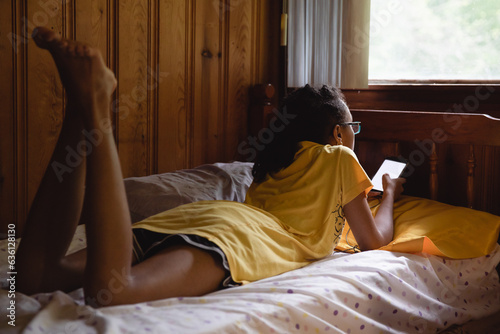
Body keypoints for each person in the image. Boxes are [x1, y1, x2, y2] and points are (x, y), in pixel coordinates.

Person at [17, 27, 405, 308]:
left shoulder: (277, 165)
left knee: (36, 277)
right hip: (238, 240)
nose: (354, 135)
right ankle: (97, 109)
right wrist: (387, 195)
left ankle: (78, 117)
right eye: (353, 127)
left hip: (203, 219)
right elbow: (373, 241)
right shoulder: (339, 157)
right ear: (338, 133)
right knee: (116, 292)